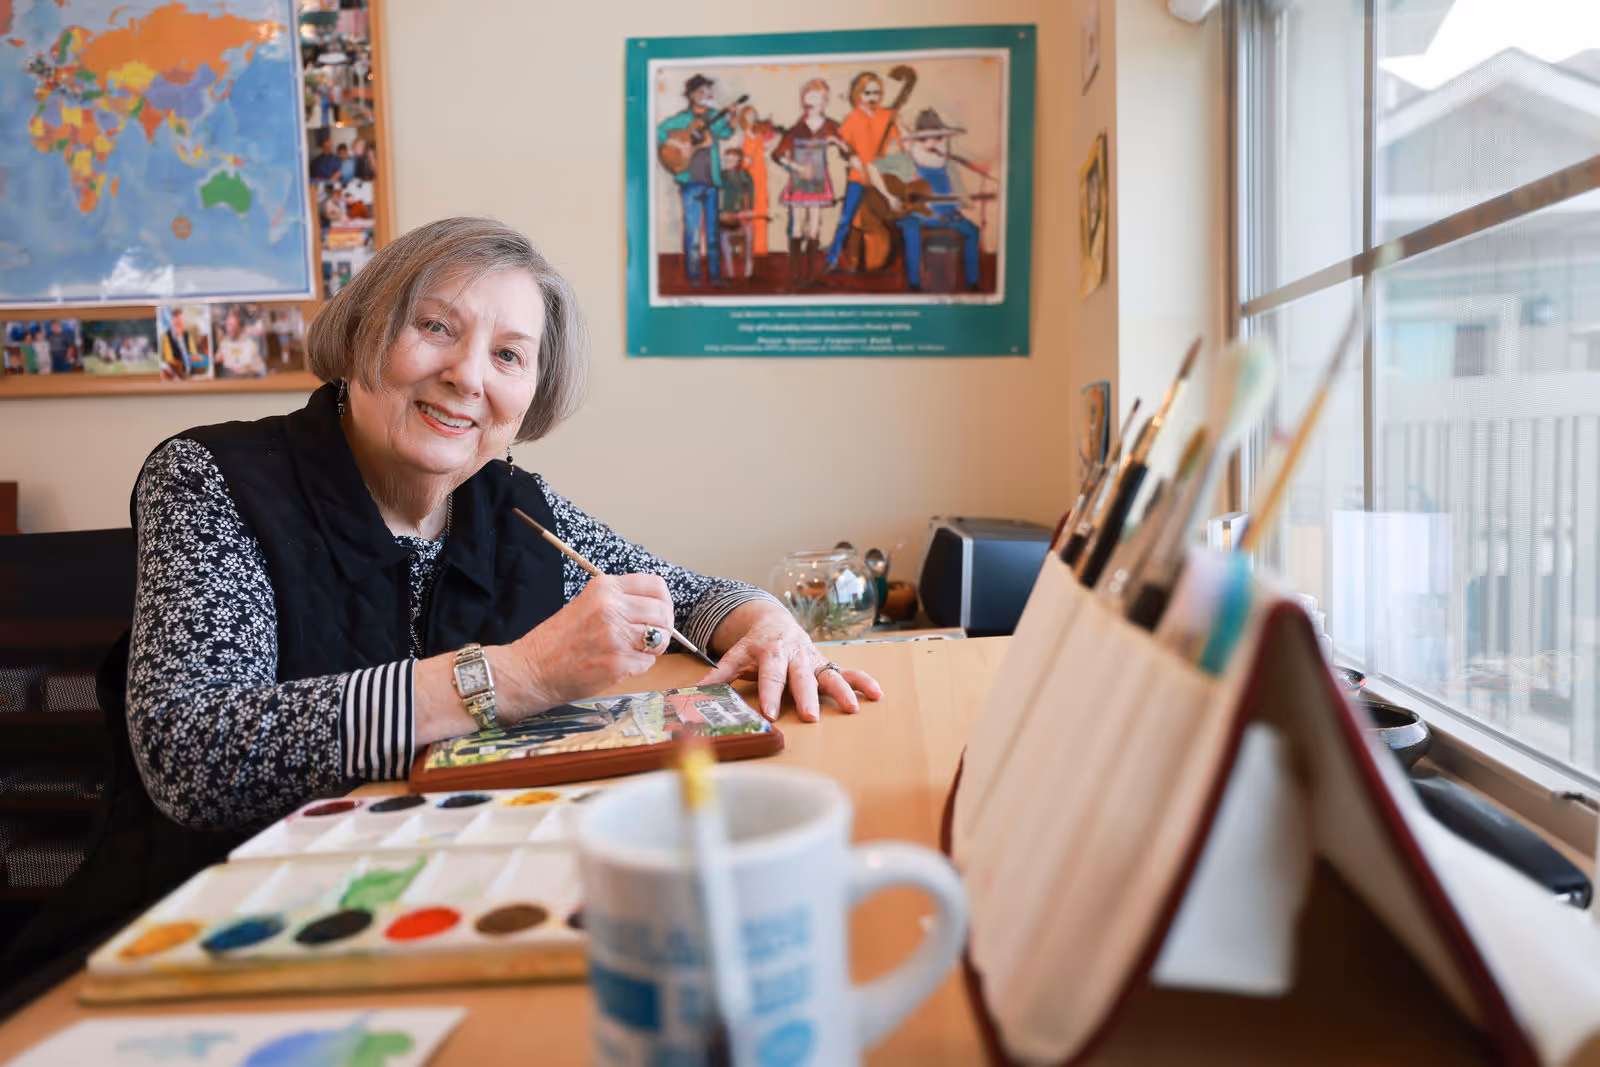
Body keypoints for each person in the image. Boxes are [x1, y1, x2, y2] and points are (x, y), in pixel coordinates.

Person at [124, 215, 880, 836]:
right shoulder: (209, 479)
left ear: (530, 395)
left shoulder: (512, 502)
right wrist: (522, 675)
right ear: (361, 334)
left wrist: (770, 623)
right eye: (435, 327)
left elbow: (683, 594)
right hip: (247, 908)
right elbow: (190, 753)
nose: (468, 376)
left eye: (509, 355)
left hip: (464, 868)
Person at [879, 108, 982, 292]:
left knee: (972, 231)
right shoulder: (914, 153)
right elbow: (903, 138)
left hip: (947, 213)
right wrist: (899, 120)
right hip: (922, 213)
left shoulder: (943, 154)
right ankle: (914, 283)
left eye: (936, 137)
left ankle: (972, 282)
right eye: (926, 138)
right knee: (910, 228)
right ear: (919, 139)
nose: (932, 142)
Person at [657, 73, 736, 286]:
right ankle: (693, 276)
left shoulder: (715, 116)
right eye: (701, 91)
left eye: (708, 91)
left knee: (712, 232)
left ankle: (715, 275)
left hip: (712, 181)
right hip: (689, 181)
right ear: (691, 95)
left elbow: (727, 132)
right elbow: (660, 132)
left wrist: (731, 116)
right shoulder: (683, 119)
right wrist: (681, 143)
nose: (706, 95)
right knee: (692, 231)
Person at [826, 72, 904, 271]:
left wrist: (902, 130)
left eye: (877, 93)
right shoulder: (851, 120)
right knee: (846, 219)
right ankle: (832, 259)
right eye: (867, 93)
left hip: (883, 175)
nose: (873, 98)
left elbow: (902, 145)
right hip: (858, 177)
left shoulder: (888, 116)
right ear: (858, 95)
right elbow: (847, 152)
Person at [771, 79, 846, 287]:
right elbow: (778, 155)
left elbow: (847, 148)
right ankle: (795, 275)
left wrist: (837, 142)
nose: (812, 101)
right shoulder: (797, 127)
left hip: (819, 181)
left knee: (814, 228)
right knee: (796, 227)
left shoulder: (831, 125)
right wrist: (797, 168)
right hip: (799, 181)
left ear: (825, 101)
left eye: (818, 97)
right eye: (808, 96)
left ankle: (811, 276)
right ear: (803, 99)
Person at [737, 105, 777, 260]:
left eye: (754, 114)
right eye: (748, 116)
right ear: (743, 119)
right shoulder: (742, 138)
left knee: (761, 210)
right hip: (747, 176)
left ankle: (760, 249)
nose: (752, 118)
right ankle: (746, 249)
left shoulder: (760, 134)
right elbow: (740, 159)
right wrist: (745, 161)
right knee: (748, 210)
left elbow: (768, 144)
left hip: (761, 175)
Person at [718, 145, 756, 281]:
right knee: (724, 238)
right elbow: (717, 195)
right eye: (727, 159)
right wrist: (720, 212)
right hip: (726, 214)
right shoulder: (721, 175)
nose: (729, 162)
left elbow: (750, 193)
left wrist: (749, 210)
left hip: (742, 213)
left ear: (739, 160)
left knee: (749, 235)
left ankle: (749, 267)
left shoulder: (745, 174)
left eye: (733, 160)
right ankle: (729, 272)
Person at [215, 308, 265, 378]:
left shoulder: (249, 343)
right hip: (229, 377)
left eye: (232, 325)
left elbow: (257, 366)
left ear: (239, 327)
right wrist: (219, 357)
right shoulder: (225, 342)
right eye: (228, 325)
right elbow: (218, 357)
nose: (229, 329)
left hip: (246, 378)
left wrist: (246, 368)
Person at [161, 309, 190, 380]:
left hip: (188, 373)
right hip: (175, 374)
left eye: (181, 322)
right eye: (177, 322)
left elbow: (192, 354)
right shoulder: (167, 337)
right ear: (172, 322)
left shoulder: (186, 335)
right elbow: (168, 359)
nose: (179, 325)